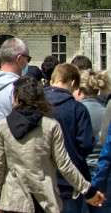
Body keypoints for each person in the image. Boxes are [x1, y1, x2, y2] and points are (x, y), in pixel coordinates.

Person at [0, 76, 105, 212]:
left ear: (16, 98)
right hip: (44, 199)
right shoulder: (50, 126)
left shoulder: (3, 126)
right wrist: (88, 191)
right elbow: (64, 165)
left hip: (13, 199)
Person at [45, 63, 95, 212]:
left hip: (41, 178)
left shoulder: (36, 105)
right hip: (69, 181)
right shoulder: (78, 109)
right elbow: (86, 144)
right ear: (73, 83)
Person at [0, 37, 30, 145]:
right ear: (19, 59)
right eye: (28, 59)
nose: (28, 63)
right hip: (17, 149)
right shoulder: (18, 88)